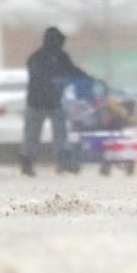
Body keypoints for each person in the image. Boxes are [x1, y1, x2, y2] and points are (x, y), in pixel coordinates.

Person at [23, 26, 90, 176]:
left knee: (37, 136)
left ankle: (33, 163)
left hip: (43, 102)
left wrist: (85, 78)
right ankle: (52, 163)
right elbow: (70, 72)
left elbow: (72, 71)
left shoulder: (40, 57)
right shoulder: (52, 57)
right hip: (42, 103)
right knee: (52, 135)